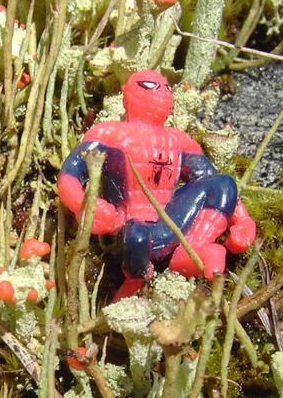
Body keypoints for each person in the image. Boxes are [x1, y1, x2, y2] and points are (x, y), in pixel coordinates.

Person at [58, 69, 255, 299]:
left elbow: (211, 181)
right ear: (127, 94)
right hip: (127, 229)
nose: (160, 93)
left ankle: (192, 251)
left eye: (166, 87)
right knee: (137, 235)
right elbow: (69, 175)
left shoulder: (179, 140)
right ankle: (136, 282)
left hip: (170, 223)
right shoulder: (109, 134)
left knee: (224, 183)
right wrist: (85, 205)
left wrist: (243, 219)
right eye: (150, 86)